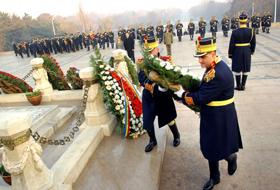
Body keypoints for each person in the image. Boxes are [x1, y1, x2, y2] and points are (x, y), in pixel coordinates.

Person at [175, 36, 243, 190]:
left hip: (219, 116)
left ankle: (230, 159)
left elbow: (201, 97)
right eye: (199, 57)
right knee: (213, 144)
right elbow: (204, 89)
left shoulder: (217, 73)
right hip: (215, 113)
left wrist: (182, 95)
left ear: (213, 53)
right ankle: (216, 176)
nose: (200, 61)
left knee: (214, 144)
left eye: (202, 57)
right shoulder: (214, 66)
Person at [137, 36, 180, 152]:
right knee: (147, 120)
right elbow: (140, 77)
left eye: (152, 50)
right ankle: (152, 140)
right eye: (148, 51)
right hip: (149, 96)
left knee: (169, 118)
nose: (151, 53)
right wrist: (146, 83)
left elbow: (171, 78)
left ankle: (176, 135)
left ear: (157, 49)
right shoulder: (143, 62)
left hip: (162, 95)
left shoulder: (165, 62)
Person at [228, 13, 256, 91]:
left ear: (239, 21)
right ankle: (243, 85)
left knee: (237, 68)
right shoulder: (251, 31)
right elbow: (253, 43)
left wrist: (230, 54)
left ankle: (238, 85)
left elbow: (231, 44)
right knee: (245, 68)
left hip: (237, 51)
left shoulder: (235, 32)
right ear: (246, 21)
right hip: (247, 50)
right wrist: (252, 51)